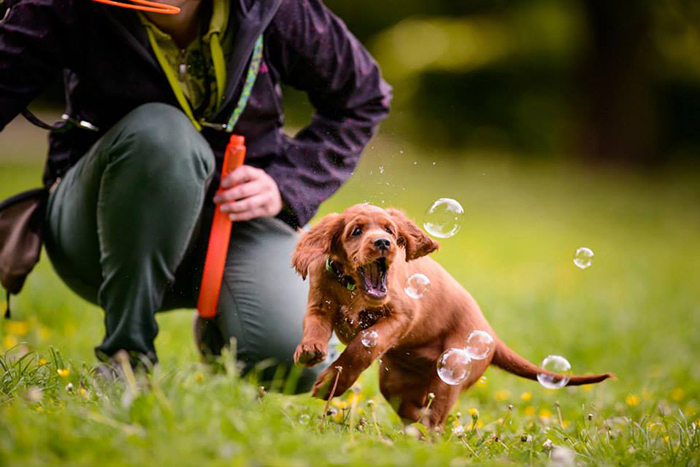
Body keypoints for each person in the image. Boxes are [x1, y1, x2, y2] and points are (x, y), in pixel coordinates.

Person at [0, 0, 391, 389]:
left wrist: (287, 183)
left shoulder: (276, 7)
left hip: (230, 225)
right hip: (97, 234)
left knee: (298, 359)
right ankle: (127, 357)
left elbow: (363, 97)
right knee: (162, 135)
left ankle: (220, 331)